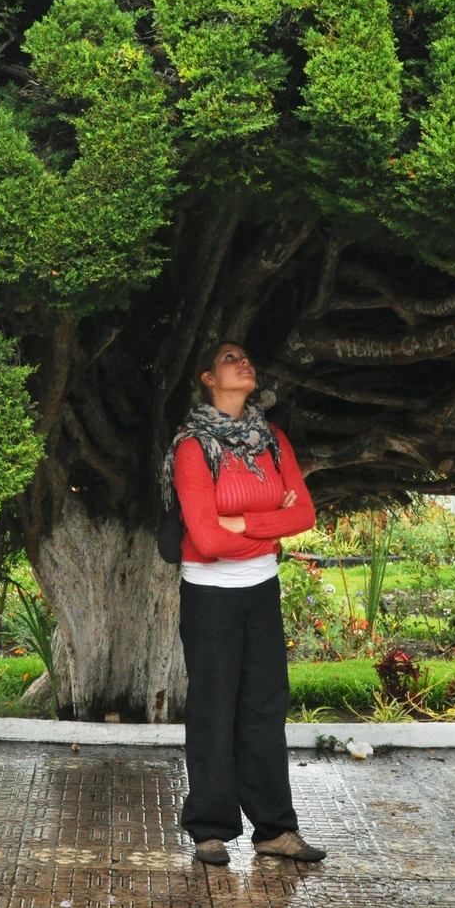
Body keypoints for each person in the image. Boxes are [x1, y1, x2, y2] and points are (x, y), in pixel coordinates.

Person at [162, 341, 327, 867]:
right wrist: (268, 528)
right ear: (208, 377)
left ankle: (275, 830)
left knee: (263, 708)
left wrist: (244, 525)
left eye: (246, 357)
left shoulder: (271, 442)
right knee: (214, 709)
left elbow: (304, 514)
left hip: (261, 590)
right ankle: (210, 830)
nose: (244, 362)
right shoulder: (192, 447)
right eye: (231, 358)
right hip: (209, 596)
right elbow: (206, 541)